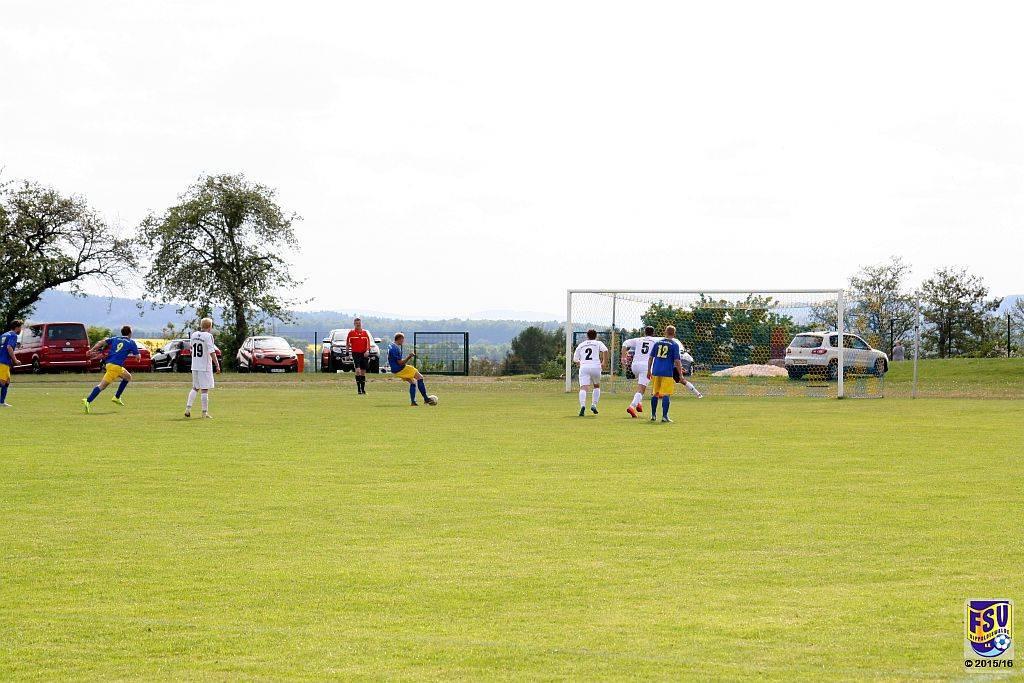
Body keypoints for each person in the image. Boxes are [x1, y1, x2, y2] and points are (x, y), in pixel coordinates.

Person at [83, 325, 141, 413]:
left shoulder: (115, 338)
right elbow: (138, 357)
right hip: (115, 367)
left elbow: (100, 342)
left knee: (128, 377)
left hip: (110, 364)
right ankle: (88, 400)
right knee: (102, 386)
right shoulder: (131, 342)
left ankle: (117, 397)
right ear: (130, 333)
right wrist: (137, 358)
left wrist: (91, 350)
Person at [185, 318, 221, 419]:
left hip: (195, 365)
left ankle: (188, 409)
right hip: (204, 366)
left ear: (201, 325)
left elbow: (191, 349)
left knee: (195, 387)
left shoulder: (194, 335)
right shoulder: (208, 336)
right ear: (210, 327)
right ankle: (204, 413)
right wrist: (217, 365)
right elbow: (212, 351)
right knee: (204, 389)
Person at [646, 326, 683, 423]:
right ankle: (664, 416)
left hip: (656, 371)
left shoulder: (657, 343)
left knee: (655, 393)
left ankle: (653, 415)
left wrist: (649, 370)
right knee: (666, 394)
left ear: (665, 332)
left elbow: (651, 358)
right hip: (667, 372)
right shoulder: (674, 345)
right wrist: (680, 374)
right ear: (674, 333)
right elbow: (677, 361)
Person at [621, 326, 658, 418]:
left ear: (644, 332)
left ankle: (639, 403)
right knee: (641, 389)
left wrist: (623, 357)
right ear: (653, 333)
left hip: (634, 366)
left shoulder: (638, 340)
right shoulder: (656, 340)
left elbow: (625, 343)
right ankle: (632, 406)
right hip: (646, 367)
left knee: (640, 384)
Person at [387, 333, 433, 406]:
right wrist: (409, 356)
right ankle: (426, 399)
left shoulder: (391, 346)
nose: (403, 341)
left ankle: (413, 402)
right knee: (420, 377)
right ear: (400, 339)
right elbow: (400, 363)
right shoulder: (395, 349)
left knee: (413, 383)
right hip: (401, 368)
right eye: (403, 339)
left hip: (395, 370)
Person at [572, 329, 608, 416]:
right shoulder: (598, 343)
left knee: (583, 388)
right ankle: (594, 405)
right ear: (596, 336)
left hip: (584, 367)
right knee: (596, 386)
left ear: (587, 336)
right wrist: (604, 362)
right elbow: (605, 350)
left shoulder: (581, 345)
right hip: (596, 366)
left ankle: (582, 406)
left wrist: (580, 363)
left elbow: (575, 359)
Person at [347, 318, 372, 395]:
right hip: (355, 354)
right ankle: (359, 390)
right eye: (356, 323)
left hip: (364, 354)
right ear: (354, 324)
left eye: (359, 323)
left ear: (361, 324)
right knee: (358, 371)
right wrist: (347, 353)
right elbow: (347, 343)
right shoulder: (351, 333)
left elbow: (368, 344)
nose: (358, 324)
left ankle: (363, 390)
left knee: (363, 372)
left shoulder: (365, 333)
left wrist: (367, 351)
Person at [0, 320, 23, 407]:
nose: (21, 329)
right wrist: (15, 360)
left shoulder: (4, 335)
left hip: (3, 361)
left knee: (7, 381)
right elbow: (9, 347)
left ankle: (2, 402)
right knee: (2, 382)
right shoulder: (13, 335)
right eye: (20, 327)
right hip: (3, 361)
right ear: (17, 327)